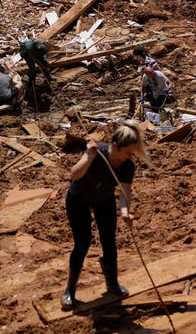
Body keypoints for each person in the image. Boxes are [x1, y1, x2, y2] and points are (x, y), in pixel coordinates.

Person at [61, 124, 144, 310]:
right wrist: (89, 157)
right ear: (115, 145)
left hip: (104, 199)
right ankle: (69, 291)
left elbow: (125, 192)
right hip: (78, 199)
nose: (130, 157)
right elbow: (74, 174)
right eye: (128, 152)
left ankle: (112, 284)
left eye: (133, 153)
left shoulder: (128, 165)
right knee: (82, 243)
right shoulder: (96, 152)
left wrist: (125, 212)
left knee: (109, 240)